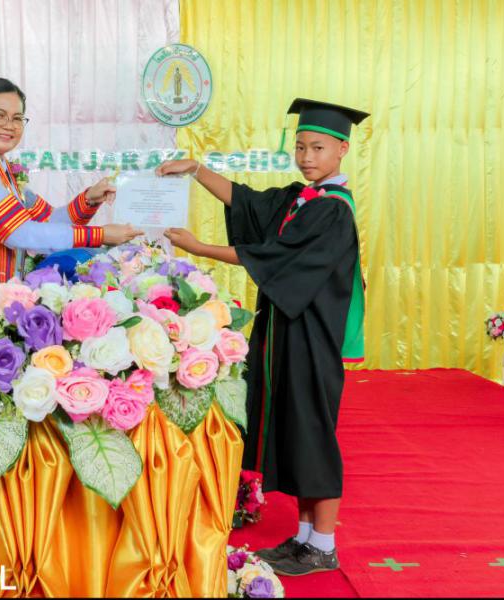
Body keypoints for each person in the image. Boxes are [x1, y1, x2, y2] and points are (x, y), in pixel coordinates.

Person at [157, 98, 368, 576]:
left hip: (313, 338)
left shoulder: (332, 211)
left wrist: (199, 247)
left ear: (342, 150)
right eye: (300, 147)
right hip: (288, 332)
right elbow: (249, 201)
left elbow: (274, 255)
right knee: (296, 431)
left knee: (313, 434)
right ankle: (305, 538)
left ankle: (324, 545)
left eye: (318, 148)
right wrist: (196, 170)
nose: (307, 156)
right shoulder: (302, 198)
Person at [0, 78, 141, 296]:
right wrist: (101, 235)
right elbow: (21, 233)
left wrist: (89, 200)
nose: (9, 125)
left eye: (17, 118)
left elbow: (48, 222)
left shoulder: (2, 169)